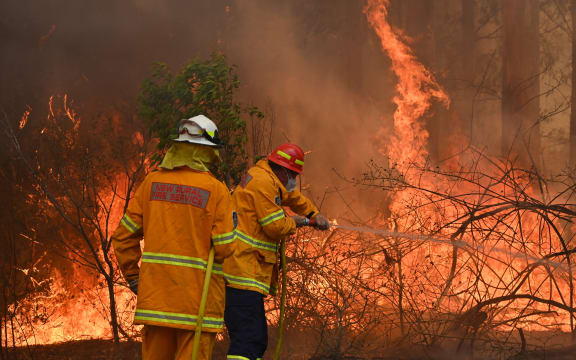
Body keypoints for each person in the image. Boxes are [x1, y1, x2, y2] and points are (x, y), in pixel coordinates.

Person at [112, 115, 236, 360]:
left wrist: (134, 277)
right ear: (206, 151)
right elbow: (225, 248)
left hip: (156, 302)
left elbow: (123, 236)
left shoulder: (152, 182)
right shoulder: (216, 190)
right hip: (196, 305)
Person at [223, 143, 330, 360]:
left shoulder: (267, 177)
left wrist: (314, 213)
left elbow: (292, 197)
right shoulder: (263, 182)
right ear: (282, 169)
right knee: (250, 340)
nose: (294, 180)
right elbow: (274, 226)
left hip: (245, 271)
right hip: (242, 272)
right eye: (292, 174)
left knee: (253, 340)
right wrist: (300, 222)